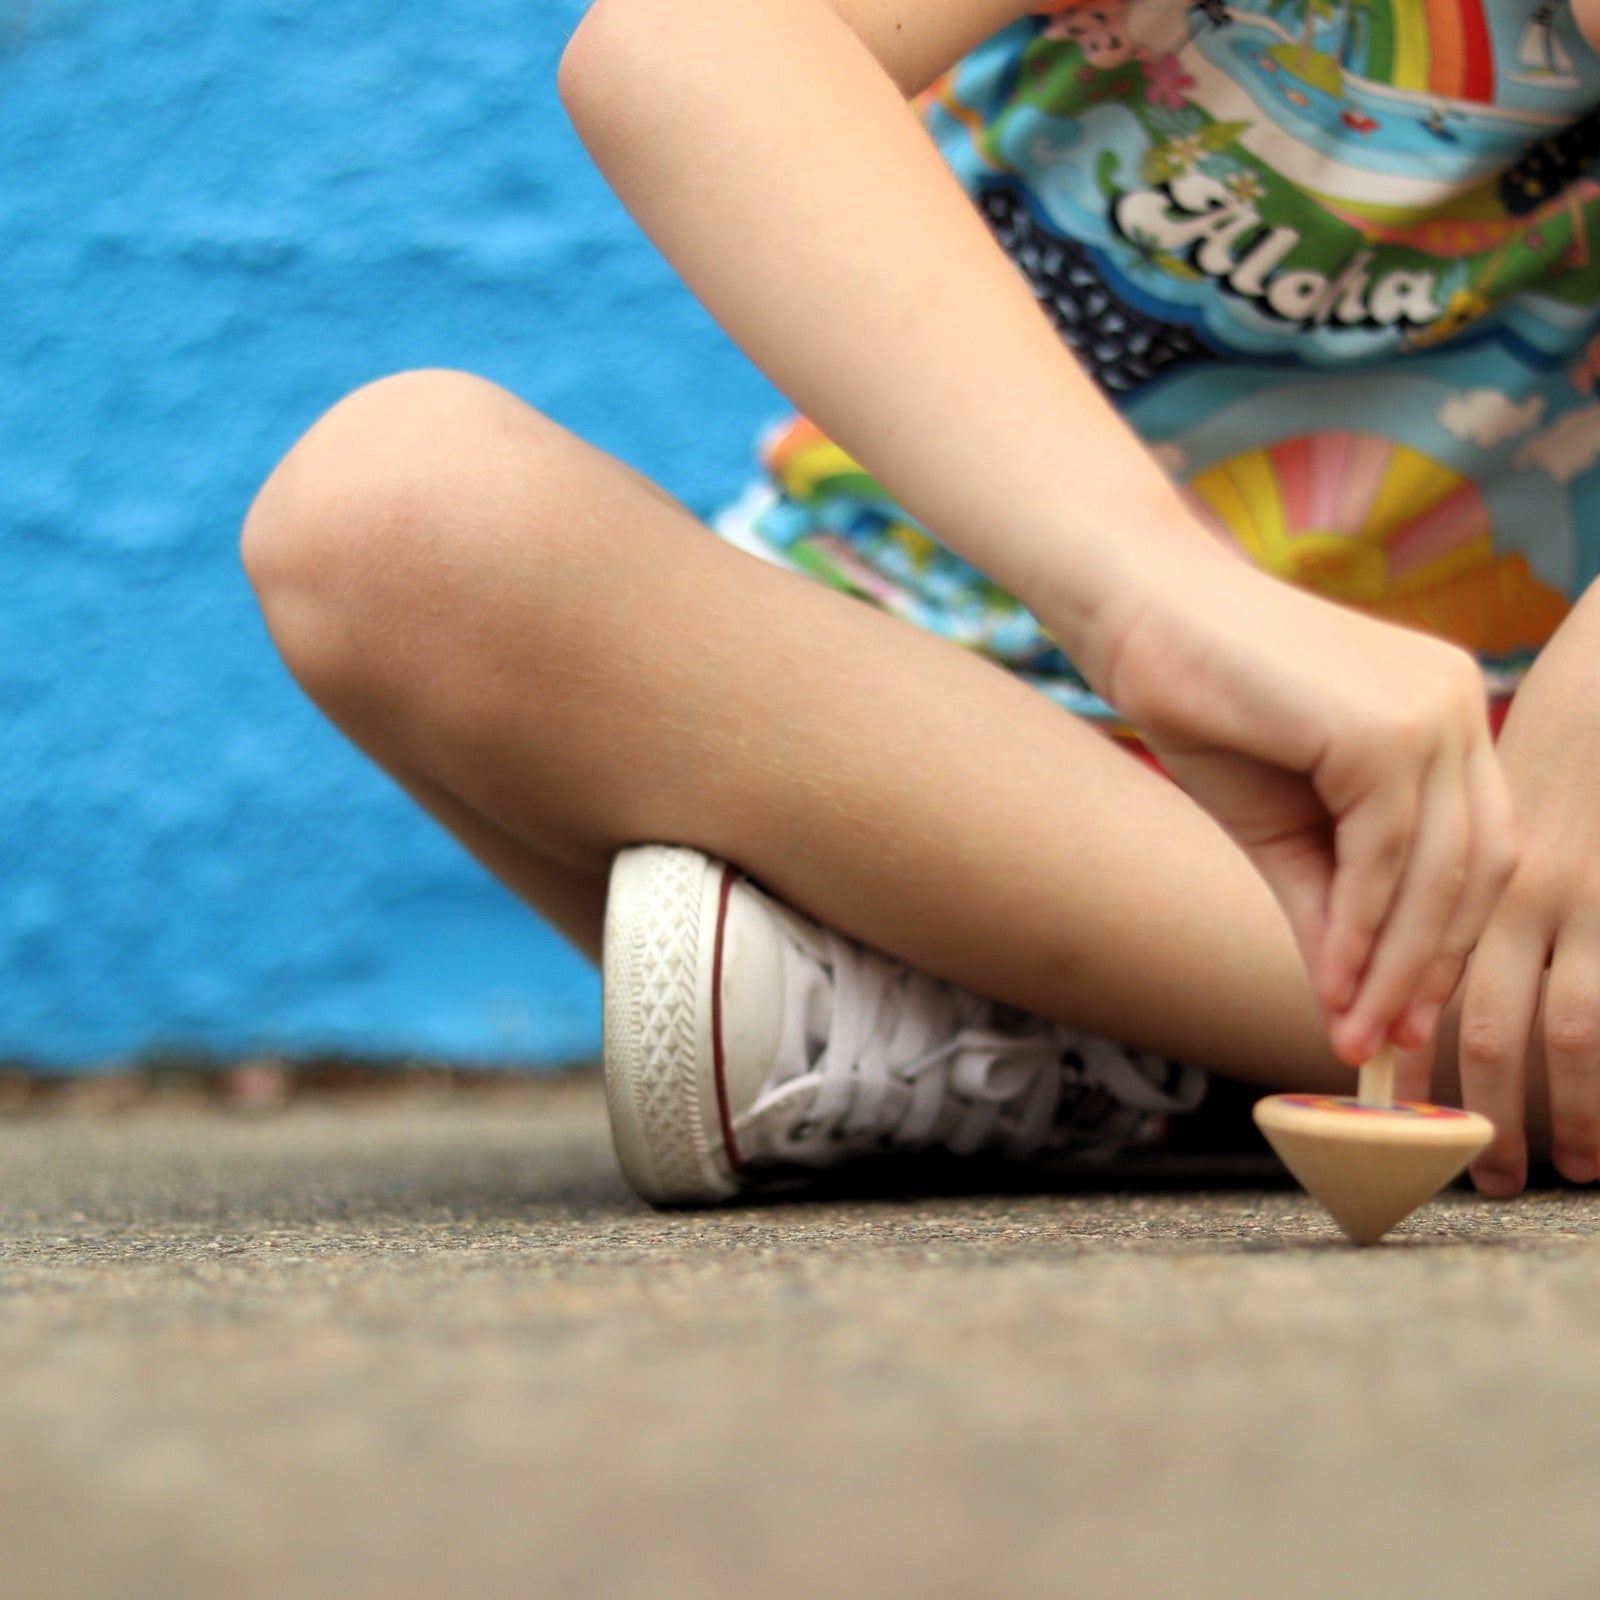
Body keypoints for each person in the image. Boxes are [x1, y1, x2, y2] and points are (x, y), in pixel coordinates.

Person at [240, 0, 1600, 1207]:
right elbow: (688, 39)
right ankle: (1402, 1055)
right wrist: (1152, 598)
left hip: (1498, 850)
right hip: (914, 751)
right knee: (392, 514)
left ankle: (1024, 1044)